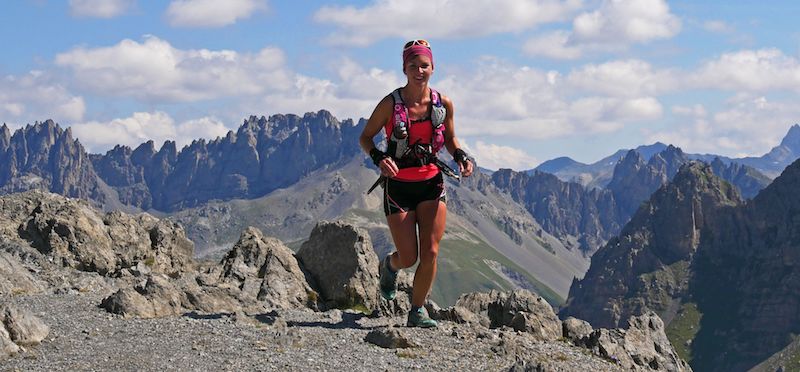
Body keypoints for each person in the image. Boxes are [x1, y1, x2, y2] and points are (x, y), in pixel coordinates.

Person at [359, 39, 474, 328]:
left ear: (433, 68)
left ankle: (417, 310)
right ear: (404, 68)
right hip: (398, 186)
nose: (419, 70)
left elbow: (448, 138)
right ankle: (390, 267)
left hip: (431, 183)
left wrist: (460, 154)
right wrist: (378, 158)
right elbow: (365, 137)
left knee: (431, 251)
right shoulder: (390, 103)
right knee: (408, 257)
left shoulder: (443, 103)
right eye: (413, 65)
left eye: (424, 65)